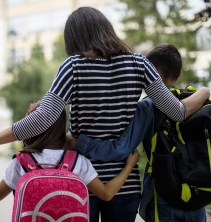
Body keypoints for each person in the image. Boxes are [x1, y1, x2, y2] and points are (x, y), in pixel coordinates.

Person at [0, 7, 209, 222]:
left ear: (74, 38)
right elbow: (177, 112)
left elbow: (43, 118)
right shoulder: (139, 64)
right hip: (125, 183)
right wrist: (204, 91)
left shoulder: (73, 66)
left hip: (81, 180)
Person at [66, 44, 208, 221]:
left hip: (164, 194)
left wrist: (77, 143)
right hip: (198, 195)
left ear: (152, 71)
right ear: (178, 74)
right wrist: (205, 91)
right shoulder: (197, 101)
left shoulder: (148, 106)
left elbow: (120, 148)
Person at [0, 102, 140, 211]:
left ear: (29, 128)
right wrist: (129, 166)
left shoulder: (21, 163)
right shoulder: (77, 161)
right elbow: (107, 194)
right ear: (62, 127)